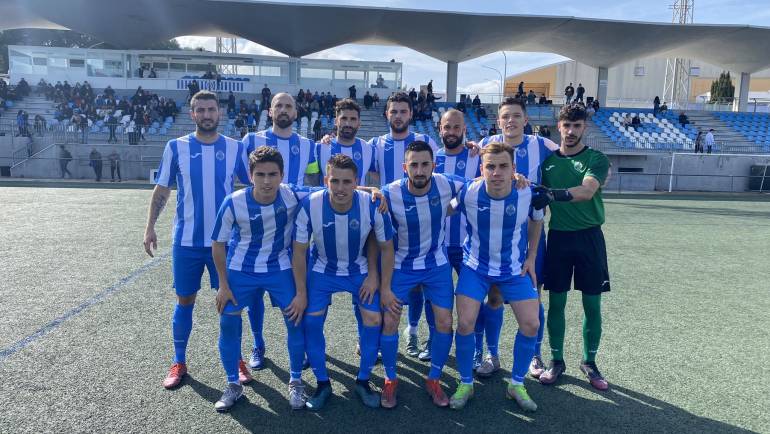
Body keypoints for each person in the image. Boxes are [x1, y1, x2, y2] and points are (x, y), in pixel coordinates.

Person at [143, 90, 253, 390]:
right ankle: (179, 361)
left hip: (225, 242)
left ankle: (237, 360)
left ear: (220, 113)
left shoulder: (234, 148)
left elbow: (254, 185)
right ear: (193, 114)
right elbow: (162, 189)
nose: (206, 115)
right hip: (187, 242)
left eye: (211, 109)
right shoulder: (176, 147)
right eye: (200, 110)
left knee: (231, 302)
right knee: (185, 301)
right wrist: (150, 227)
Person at [209, 147, 322, 412]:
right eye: (260, 174)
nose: (267, 181)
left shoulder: (292, 194)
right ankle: (233, 384)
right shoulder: (234, 201)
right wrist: (223, 285)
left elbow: (332, 192)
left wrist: (374, 191)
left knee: (295, 321)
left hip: (279, 268)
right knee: (227, 322)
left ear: (282, 175)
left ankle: (295, 381)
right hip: (241, 270)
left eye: (273, 174)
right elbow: (218, 244)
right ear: (250, 175)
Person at [448, 142, 544, 412]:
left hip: (513, 270)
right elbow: (445, 209)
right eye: (490, 166)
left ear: (514, 169)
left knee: (531, 324)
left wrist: (531, 257)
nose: (497, 172)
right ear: (482, 169)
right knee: (465, 323)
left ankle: (516, 383)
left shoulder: (528, 193)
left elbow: (537, 220)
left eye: (503, 166)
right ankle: (466, 382)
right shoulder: (469, 191)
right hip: (475, 267)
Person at [294, 154, 395, 411]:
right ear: (326, 180)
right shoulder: (310, 204)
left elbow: (387, 248)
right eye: (334, 181)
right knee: (311, 321)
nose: (340, 188)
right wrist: (301, 292)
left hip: (358, 269)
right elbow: (298, 252)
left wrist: (379, 282)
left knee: (374, 320)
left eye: (347, 182)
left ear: (356, 182)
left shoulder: (372, 204)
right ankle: (322, 383)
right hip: (322, 270)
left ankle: (363, 381)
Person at [379, 141, 467, 408]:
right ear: (405, 167)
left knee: (444, 322)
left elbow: (481, 181)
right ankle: (390, 379)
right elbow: (354, 192)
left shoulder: (446, 183)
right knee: (390, 321)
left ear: (434, 166)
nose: (419, 170)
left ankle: (434, 378)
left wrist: (518, 179)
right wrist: (369, 189)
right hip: (401, 266)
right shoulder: (389, 192)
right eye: (413, 165)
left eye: (424, 164)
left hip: (436, 265)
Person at [477, 97, 559, 379]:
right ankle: (492, 353)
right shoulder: (485, 145)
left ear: (526, 120)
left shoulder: (543, 145)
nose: (510, 121)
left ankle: (535, 355)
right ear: (499, 121)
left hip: (531, 234)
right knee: (494, 296)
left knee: (533, 295)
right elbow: (460, 158)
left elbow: (570, 158)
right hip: (496, 237)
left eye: (515, 116)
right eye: (505, 117)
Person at [534, 103, 611, 392]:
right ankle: (556, 360)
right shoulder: (548, 164)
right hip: (559, 238)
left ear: (584, 128)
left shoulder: (597, 159)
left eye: (577, 126)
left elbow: (587, 190)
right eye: (566, 125)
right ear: (559, 127)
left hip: (590, 238)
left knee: (592, 303)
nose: (570, 131)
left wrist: (552, 194)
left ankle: (589, 362)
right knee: (557, 302)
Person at [241, 92, 319, 370]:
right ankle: (258, 343)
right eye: (279, 106)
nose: (284, 110)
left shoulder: (309, 145)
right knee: (253, 295)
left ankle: (304, 346)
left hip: (295, 231)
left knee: (301, 291)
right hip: (257, 230)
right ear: (270, 111)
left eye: (289, 106)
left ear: (296, 112)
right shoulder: (251, 141)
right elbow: (243, 178)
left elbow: (314, 178)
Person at [316, 99, 376, 186]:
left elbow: (376, 177)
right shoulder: (320, 147)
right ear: (336, 121)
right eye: (344, 118)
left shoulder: (369, 149)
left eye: (353, 119)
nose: (348, 123)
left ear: (359, 123)